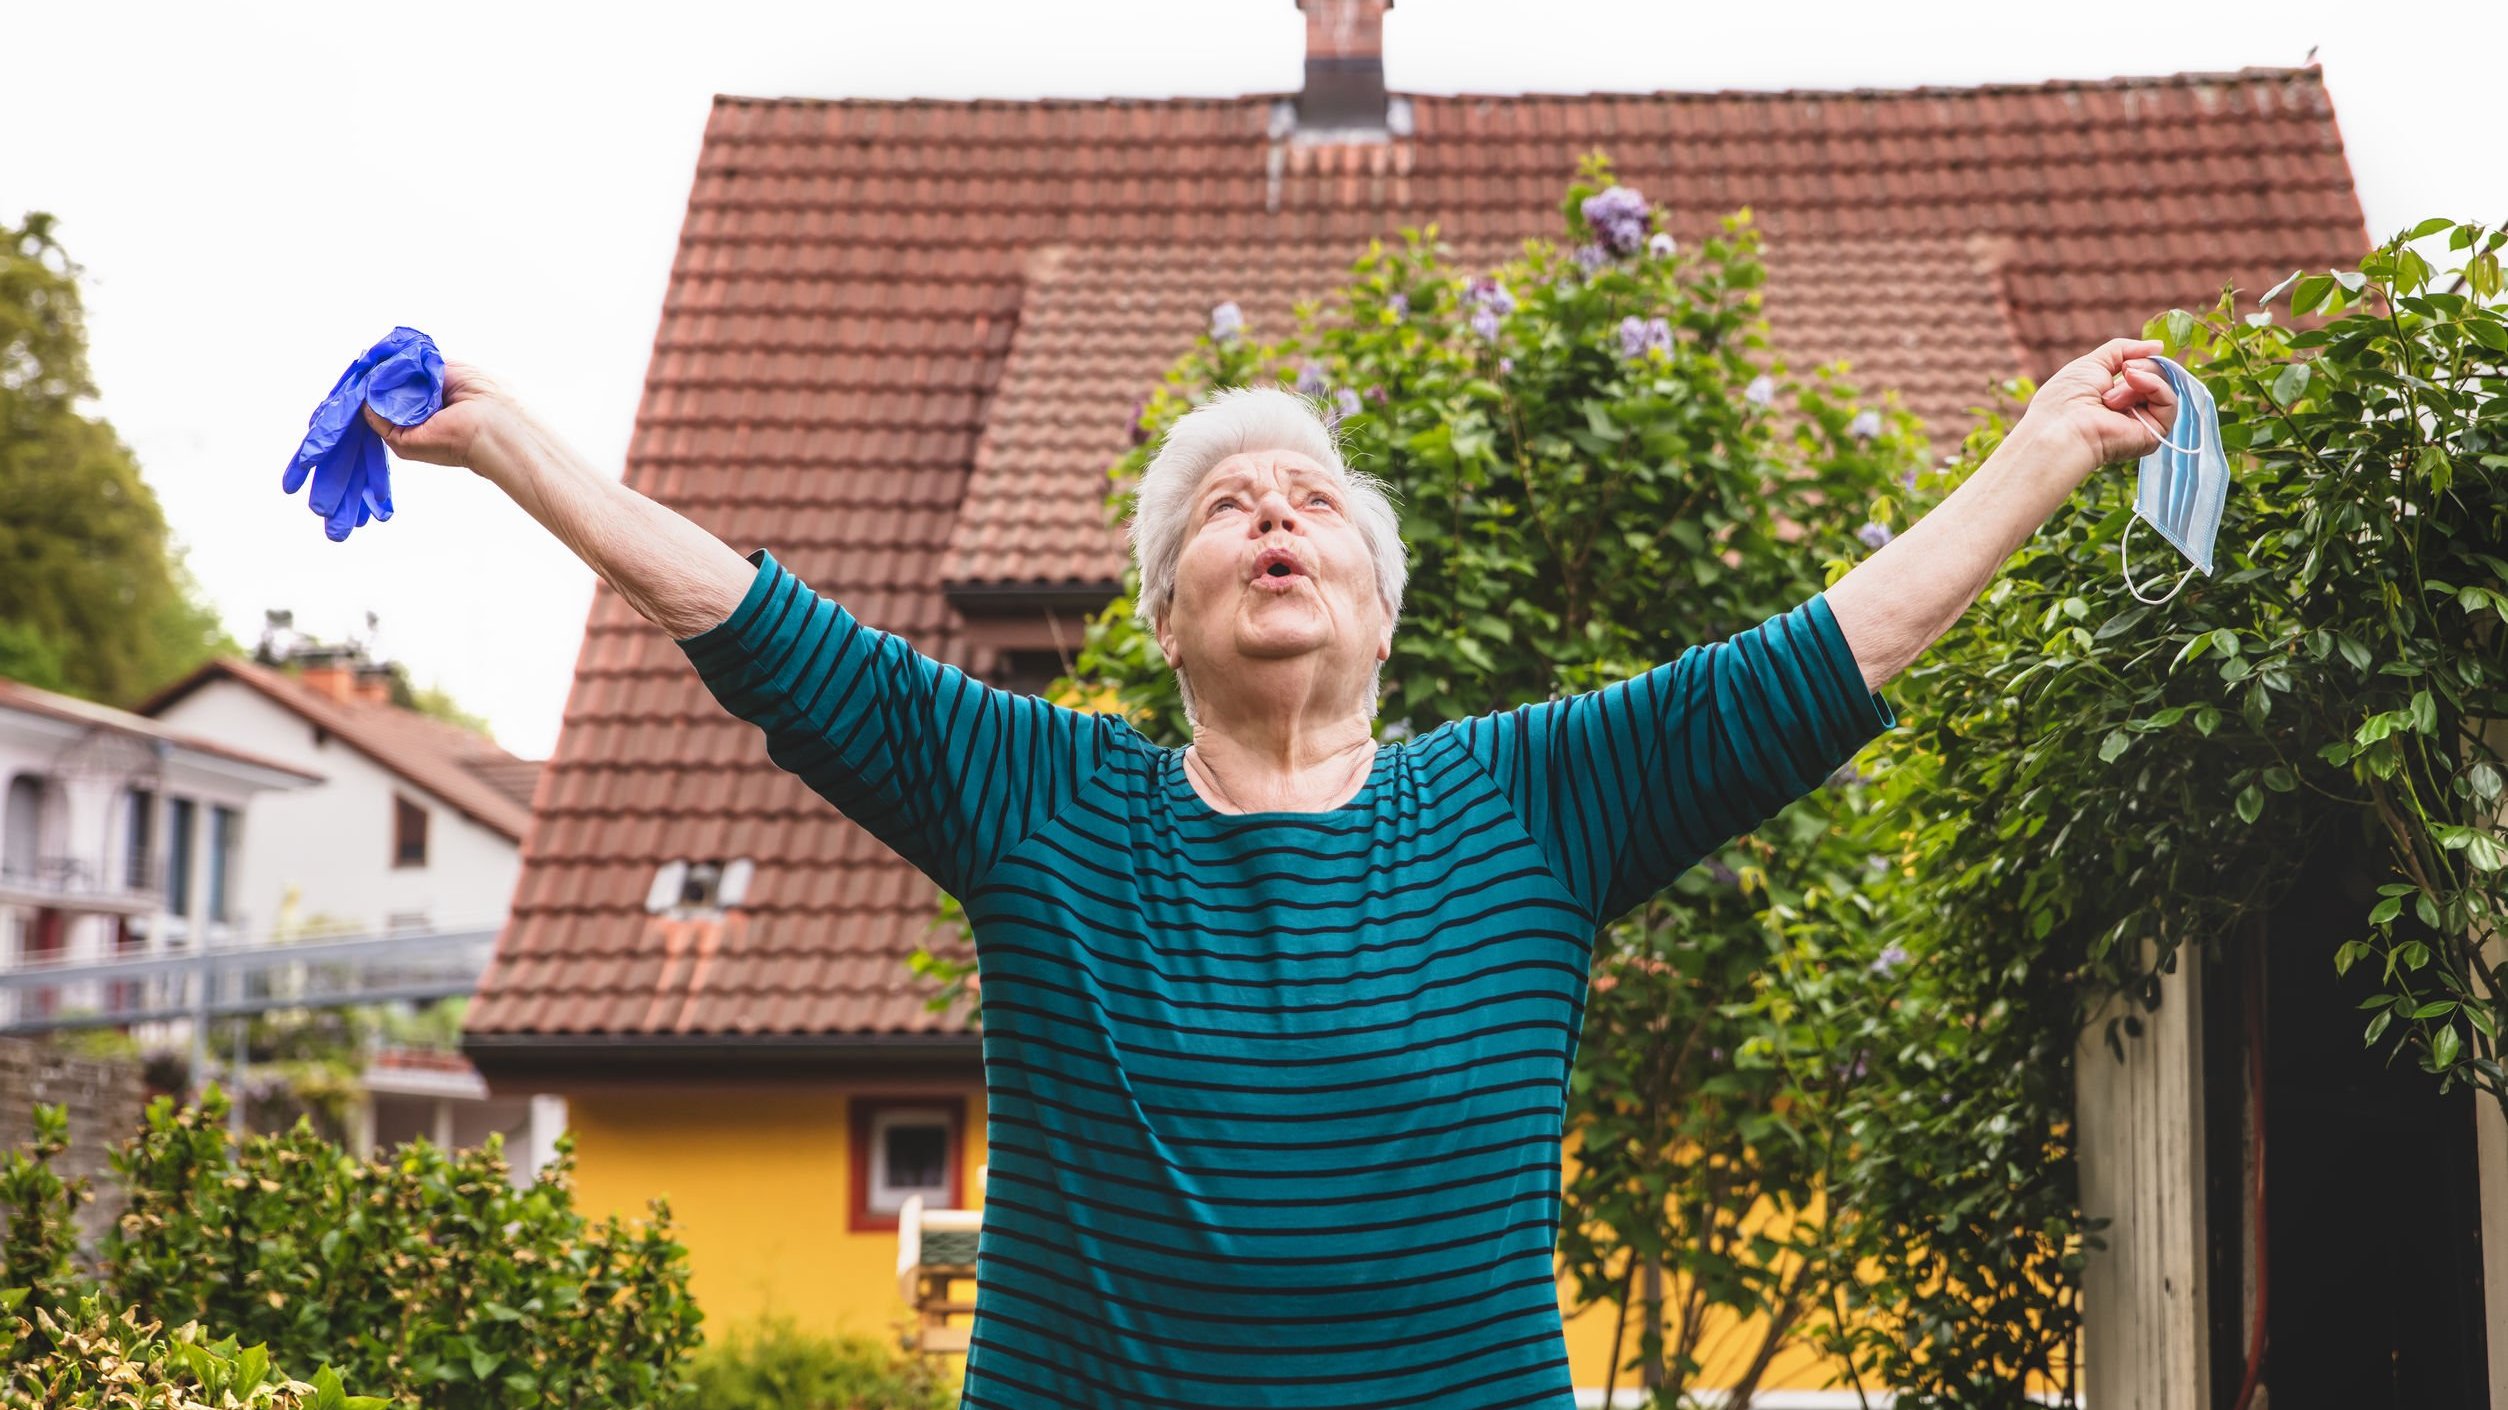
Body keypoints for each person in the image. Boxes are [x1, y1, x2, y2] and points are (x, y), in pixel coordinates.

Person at [371, 337, 2177, 1408]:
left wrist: (2045, 450)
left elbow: (1816, 659)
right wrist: (506, 438)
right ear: (1165, 614)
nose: (1274, 516)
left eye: (1310, 501)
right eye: (1228, 507)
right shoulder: (1042, 800)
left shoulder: (1532, 799)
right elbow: (763, 628)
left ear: (1382, 608)